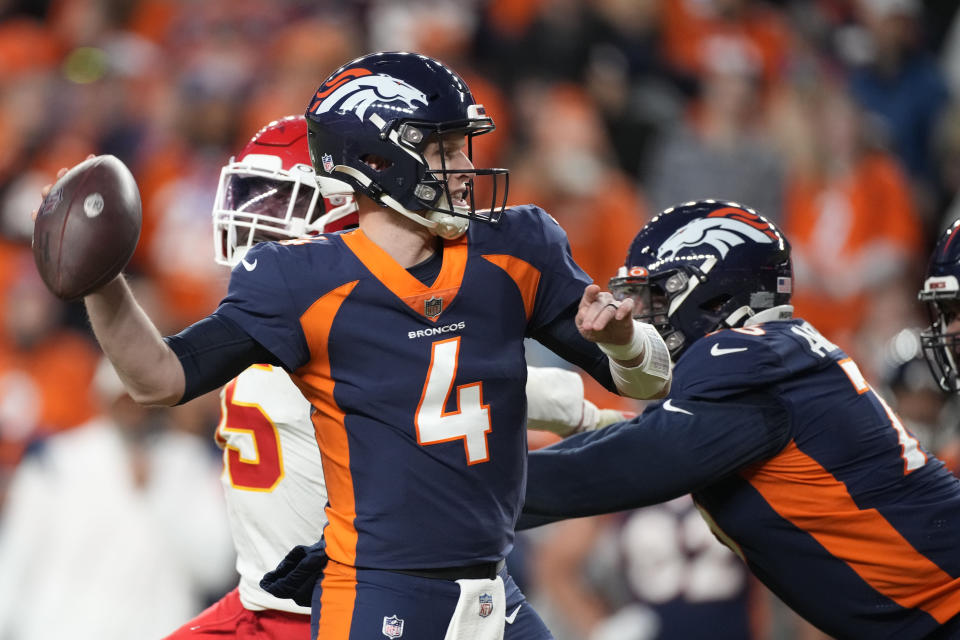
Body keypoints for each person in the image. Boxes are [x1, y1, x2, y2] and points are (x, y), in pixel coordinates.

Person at [35, 52, 671, 640]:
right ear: (377, 162)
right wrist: (104, 282)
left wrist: (624, 343)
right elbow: (160, 378)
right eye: (442, 149)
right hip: (378, 591)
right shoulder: (300, 281)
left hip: (491, 590)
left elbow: (646, 382)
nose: (466, 167)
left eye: (462, 146)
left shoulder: (518, 246)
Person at [164, 114, 631, 640]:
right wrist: (594, 417)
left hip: (311, 595)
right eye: (254, 200)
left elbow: (446, 387)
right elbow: (459, 388)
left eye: (279, 205)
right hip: (341, 592)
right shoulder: (317, 323)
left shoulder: (279, 327)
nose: (259, 223)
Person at [520, 199, 960, 639]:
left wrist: (478, 493)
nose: (640, 315)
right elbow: (662, 439)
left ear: (713, 294)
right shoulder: (772, 356)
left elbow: (640, 462)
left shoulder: (745, 356)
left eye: (655, 297)